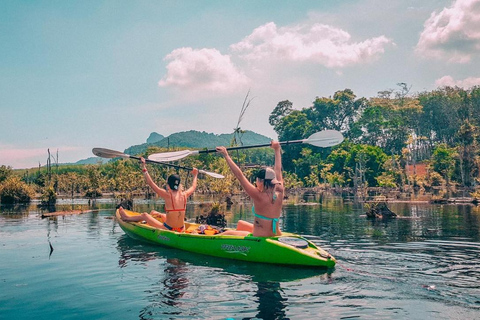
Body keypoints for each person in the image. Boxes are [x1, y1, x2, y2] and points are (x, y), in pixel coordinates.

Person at [216, 141, 284, 237]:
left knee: (225, 234)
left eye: (256, 181)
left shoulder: (258, 195)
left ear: (261, 181)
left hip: (260, 236)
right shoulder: (280, 191)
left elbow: (240, 176)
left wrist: (226, 155)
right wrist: (277, 149)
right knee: (240, 224)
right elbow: (278, 170)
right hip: (275, 233)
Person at [119, 157, 198, 232]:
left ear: (168, 185)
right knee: (163, 216)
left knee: (145, 215)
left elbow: (151, 183)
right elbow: (193, 186)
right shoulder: (185, 194)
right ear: (179, 185)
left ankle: (126, 218)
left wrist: (144, 166)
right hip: (181, 229)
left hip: (168, 229)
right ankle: (157, 213)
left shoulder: (167, 195)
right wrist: (195, 175)